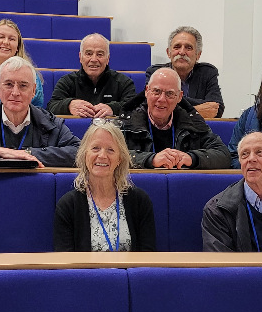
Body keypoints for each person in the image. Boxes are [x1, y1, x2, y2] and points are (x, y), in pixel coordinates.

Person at [54, 119, 156, 251]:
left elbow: (147, 257)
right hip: (86, 272)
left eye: (110, 150)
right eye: (95, 148)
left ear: (120, 158)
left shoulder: (140, 201)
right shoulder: (68, 206)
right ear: (85, 154)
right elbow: (66, 263)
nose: (102, 155)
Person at [121, 68, 230, 169]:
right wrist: (150, 159)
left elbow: (223, 155)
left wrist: (192, 158)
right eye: (156, 91)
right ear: (146, 91)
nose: (162, 99)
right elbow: (112, 155)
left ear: (179, 97)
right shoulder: (126, 122)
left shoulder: (193, 122)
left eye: (170, 94)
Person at [47, 33, 137, 117]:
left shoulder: (124, 82)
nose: (94, 59)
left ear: (108, 59)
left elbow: (135, 107)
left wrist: (113, 108)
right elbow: (51, 107)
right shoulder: (66, 81)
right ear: (80, 57)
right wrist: (68, 105)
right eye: (89, 54)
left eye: (100, 54)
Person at [145, 26, 224, 118]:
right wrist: (196, 111)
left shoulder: (207, 73)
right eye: (177, 47)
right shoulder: (156, 73)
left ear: (198, 55)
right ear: (168, 53)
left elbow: (217, 109)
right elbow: (150, 106)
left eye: (188, 48)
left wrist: (171, 105)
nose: (182, 52)